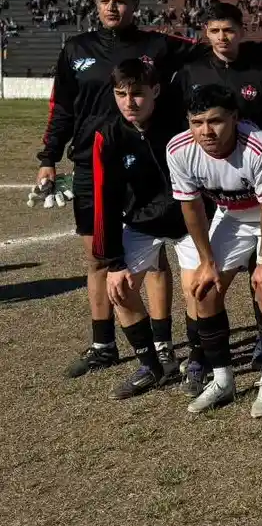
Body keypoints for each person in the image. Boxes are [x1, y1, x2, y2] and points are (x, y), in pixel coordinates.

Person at [37, 0, 204, 378]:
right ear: (95, 3)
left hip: (146, 164)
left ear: (135, 5)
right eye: (106, 0)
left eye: (122, 0)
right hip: (91, 165)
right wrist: (48, 157)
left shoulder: (158, 45)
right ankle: (103, 344)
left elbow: (212, 50)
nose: (114, 7)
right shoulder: (77, 49)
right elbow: (61, 107)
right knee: (98, 255)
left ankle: (162, 344)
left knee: (155, 256)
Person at [166, 85, 262, 417]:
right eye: (196, 122)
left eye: (215, 121)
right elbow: (192, 208)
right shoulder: (178, 149)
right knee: (204, 290)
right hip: (234, 216)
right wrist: (206, 262)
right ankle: (223, 379)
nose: (206, 131)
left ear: (235, 118)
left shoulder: (258, 146)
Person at [92, 59, 187, 399]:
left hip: (188, 219)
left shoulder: (179, 122)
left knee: (199, 289)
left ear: (156, 91)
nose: (129, 102)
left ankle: (200, 362)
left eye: (137, 94)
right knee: (118, 287)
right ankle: (152, 365)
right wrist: (114, 262)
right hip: (142, 222)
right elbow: (105, 200)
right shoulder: (109, 134)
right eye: (121, 94)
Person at [175, 2, 262, 134]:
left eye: (228, 30)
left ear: (241, 31)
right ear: (207, 32)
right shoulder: (190, 73)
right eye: (215, 31)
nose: (221, 37)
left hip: (252, 152)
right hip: (206, 152)